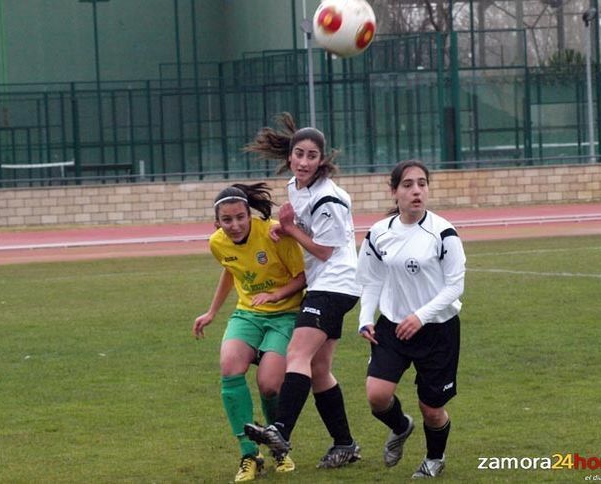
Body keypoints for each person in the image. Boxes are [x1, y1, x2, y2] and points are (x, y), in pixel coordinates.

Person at [242, 113, 362, 469]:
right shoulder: (295, 187)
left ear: (322, 159)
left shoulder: (330, 198)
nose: (305, 161)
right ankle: (345, 444)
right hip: (323, 284)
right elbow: (302, 232)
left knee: (297, 353)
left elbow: (325, 251)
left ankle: (281, 429)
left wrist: (291, 229)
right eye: (299, 154)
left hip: (335, 285)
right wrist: (285, 228)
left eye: (312, 155)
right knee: (320, 369)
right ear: (290, 157)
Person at [356, 160, 466, 479]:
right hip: (393, 326)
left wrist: (421, 316)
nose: (416, 190)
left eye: (422, 183)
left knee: (431, 409)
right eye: (407, 185)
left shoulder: (443, 233)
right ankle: (401, 427)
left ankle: (435, 457)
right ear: (394, 192)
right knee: (377, 395)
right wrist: (366, 317)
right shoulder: (379, 233)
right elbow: (372, 280)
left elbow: (455, 286)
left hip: (438, 330)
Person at [193, 182, 306, 482]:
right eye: (227, 220)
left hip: (284, 315)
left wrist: (275, 295)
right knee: (229, 367)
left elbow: (303, 277)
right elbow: (232, 271)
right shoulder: (217, 243)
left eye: (240, 217)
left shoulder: (273, 233)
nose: (235, 225)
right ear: (217, 222)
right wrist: (212, 312)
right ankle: (248, 454)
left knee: (269, 384)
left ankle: (278, 447)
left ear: (249, 214)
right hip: (248, 314)